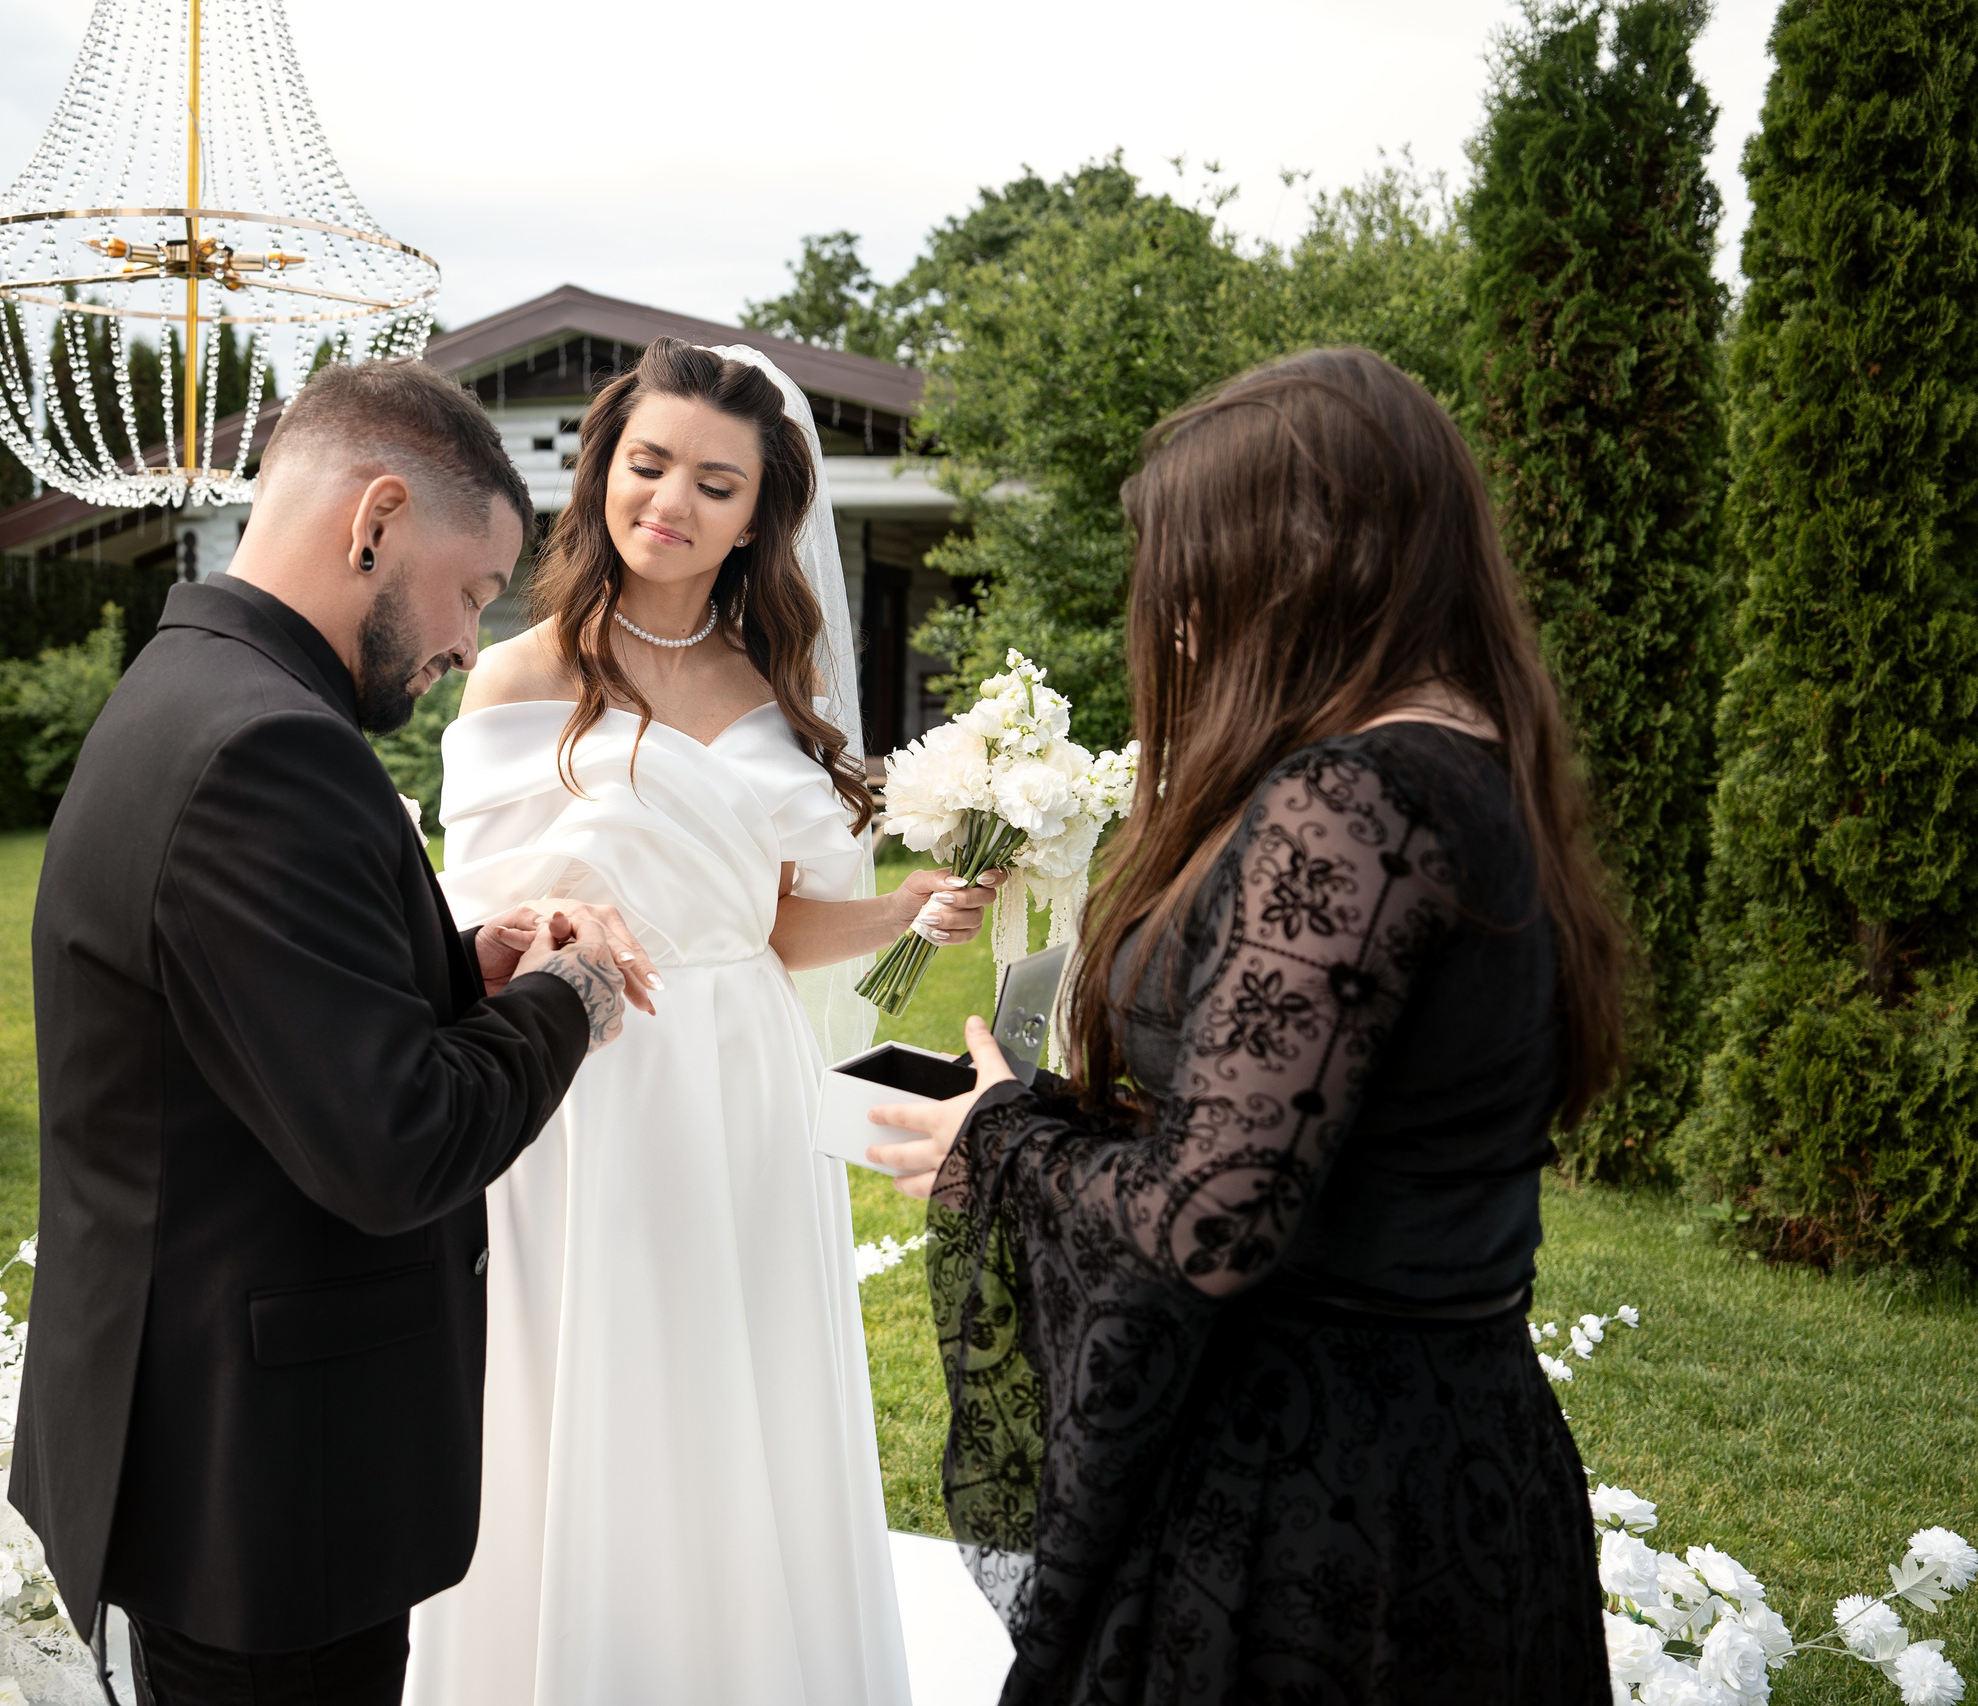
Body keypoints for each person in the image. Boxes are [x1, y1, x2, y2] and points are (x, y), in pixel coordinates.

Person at [868, 346, 1628, 1705]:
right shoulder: (1471, 758)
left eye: (1190, 584)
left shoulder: (1353, 801)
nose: (1171, 629)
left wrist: (1002, 1143)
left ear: (1300, 562)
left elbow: (1212, 1217)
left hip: (1317, 1505)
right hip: (1457, 1457)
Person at [11, 358, 658, 1706]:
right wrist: (571, 995)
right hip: (270, 1493)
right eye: (472, 586)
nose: (470, 643)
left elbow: (254, 1026)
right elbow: (396, 1142)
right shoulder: (269, 748)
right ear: (374, 520)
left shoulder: (191, 685)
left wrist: (463, 969)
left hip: (216, 1459)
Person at [403, 338, 996, 1705]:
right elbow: (478, 940)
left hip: (741, 1082)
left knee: (743, 1393)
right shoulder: (521, 677)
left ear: (756, 513)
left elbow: (775, 926)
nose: (667, 499)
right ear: (606, 465)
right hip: (583, 1083)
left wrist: (901, 909)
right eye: (648, 461)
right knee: (585, 1395)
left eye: (713, 482)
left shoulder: (775, 691)